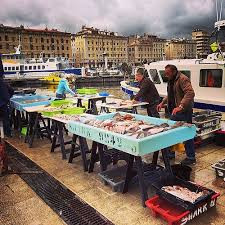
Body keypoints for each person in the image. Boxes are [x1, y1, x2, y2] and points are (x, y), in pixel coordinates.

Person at [157, 64, 196, 166]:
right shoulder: (172, 80)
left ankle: (191, 157)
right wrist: (162, 103)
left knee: (187, 134)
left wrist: (181, 106)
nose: (166, 75)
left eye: (168, 73)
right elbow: (170, 94)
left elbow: (190, 93)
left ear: (174, 71)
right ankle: (170, 154)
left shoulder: (183, 79)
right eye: (165, 73)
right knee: (171, 132)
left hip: (183, 111)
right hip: (175, 112)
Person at [0, 56, 14, 137]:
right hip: (3, 103)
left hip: (3, 102)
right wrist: (8, 98)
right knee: (6, 119)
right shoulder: (2, 82)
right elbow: (11, 91)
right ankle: (8, 134)